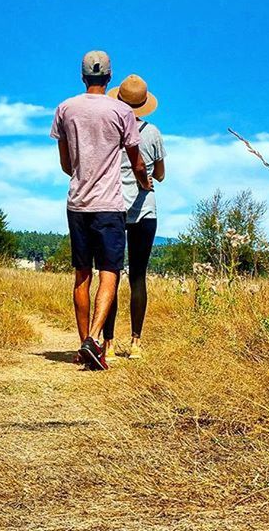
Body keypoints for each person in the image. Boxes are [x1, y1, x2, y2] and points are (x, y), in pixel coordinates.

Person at [50, 51, 152, 371]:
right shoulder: (121, 111)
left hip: (77, 203)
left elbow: (66, 163)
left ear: (83, 77)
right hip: (109, 205)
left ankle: (85, 346)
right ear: (109, 78)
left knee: (82, 275)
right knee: (110, 272)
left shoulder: (65, 109)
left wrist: (82, 172)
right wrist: (145, 182)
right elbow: (135, 160)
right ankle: (95, 338)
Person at [102, 74, 166, 361]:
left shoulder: (111, 129)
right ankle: (136, 343)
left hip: (112, 206)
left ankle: (109, 343)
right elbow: (160, 175)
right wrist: (148, 177)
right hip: (144, 210)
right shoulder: (152, 133)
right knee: (138, 276)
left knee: (110, 275)